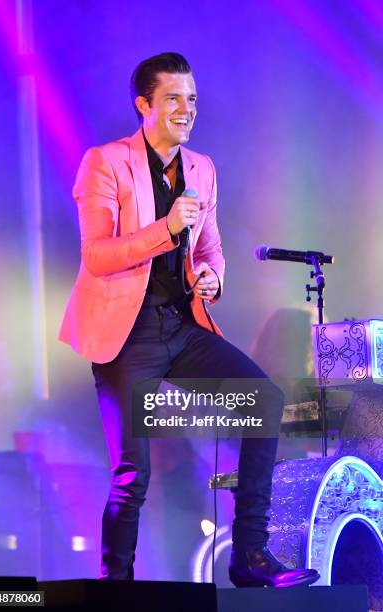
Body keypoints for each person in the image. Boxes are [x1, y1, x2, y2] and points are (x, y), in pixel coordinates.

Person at [59, 52, 319, 588]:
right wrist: (166, 225)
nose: (186, 109)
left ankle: (249, 555)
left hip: (181, 327)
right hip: (125, 336)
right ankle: (116, 587)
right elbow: (98, 256)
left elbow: (212, 249)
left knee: (261, 399)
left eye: (192, 99)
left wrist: (213, 279)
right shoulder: (105, 163)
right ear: (143, 105)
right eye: (173, 98)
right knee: (133, 475)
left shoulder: (202, 167)